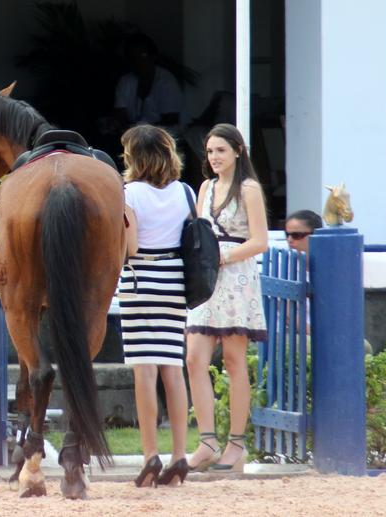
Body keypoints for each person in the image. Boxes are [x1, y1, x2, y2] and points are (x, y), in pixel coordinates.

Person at [185, 123, 268, 473]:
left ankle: (236, 443)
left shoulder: (248, 189)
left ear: (238, 150)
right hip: (206, 279)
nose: (214, 157)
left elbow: (260, 240)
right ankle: (207, 441)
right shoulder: (204, 188)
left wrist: (223, 256)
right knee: (194, 359)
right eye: (209, 151)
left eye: (220, 150)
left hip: (235, 276)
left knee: (234, 361)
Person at [118, 125, 191, 487]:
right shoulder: (186, 192)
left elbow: (130, 248)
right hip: (175, 280)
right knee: (173, 369)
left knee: (144, 372)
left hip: (140, 279)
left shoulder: (128, 193)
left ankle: (150, 454)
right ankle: (180, 455)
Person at [114, 35, 184, 133]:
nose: (137, 60)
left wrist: (142, 132)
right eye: (132, 57)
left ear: (153, 56)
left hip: (163, 137)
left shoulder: (166, 82)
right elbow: (120, 115)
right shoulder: (126, 81)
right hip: (133, 137)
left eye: (142, 55)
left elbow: (171, 119)